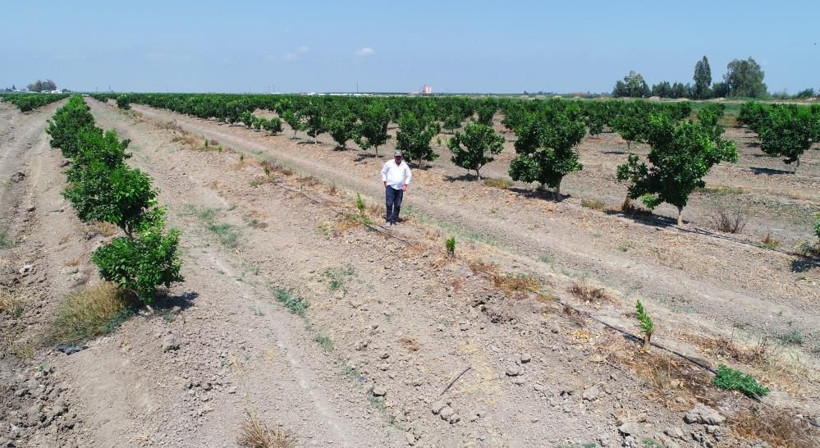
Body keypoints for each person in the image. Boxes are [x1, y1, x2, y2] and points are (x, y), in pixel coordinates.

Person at [381, 150, 412, 225]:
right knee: (389, 204)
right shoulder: (389, 163)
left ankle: (395, 219)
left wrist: (405, 184)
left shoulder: (404, 165)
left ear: (402, 157)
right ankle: (388, 220)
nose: (398, 158)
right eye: (397, 156)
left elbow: (409, 175)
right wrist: (385, 182)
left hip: (400, 188)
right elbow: (383, 172)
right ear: (394, 156)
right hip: (390, 187)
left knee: (397, 205)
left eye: (399, 157)